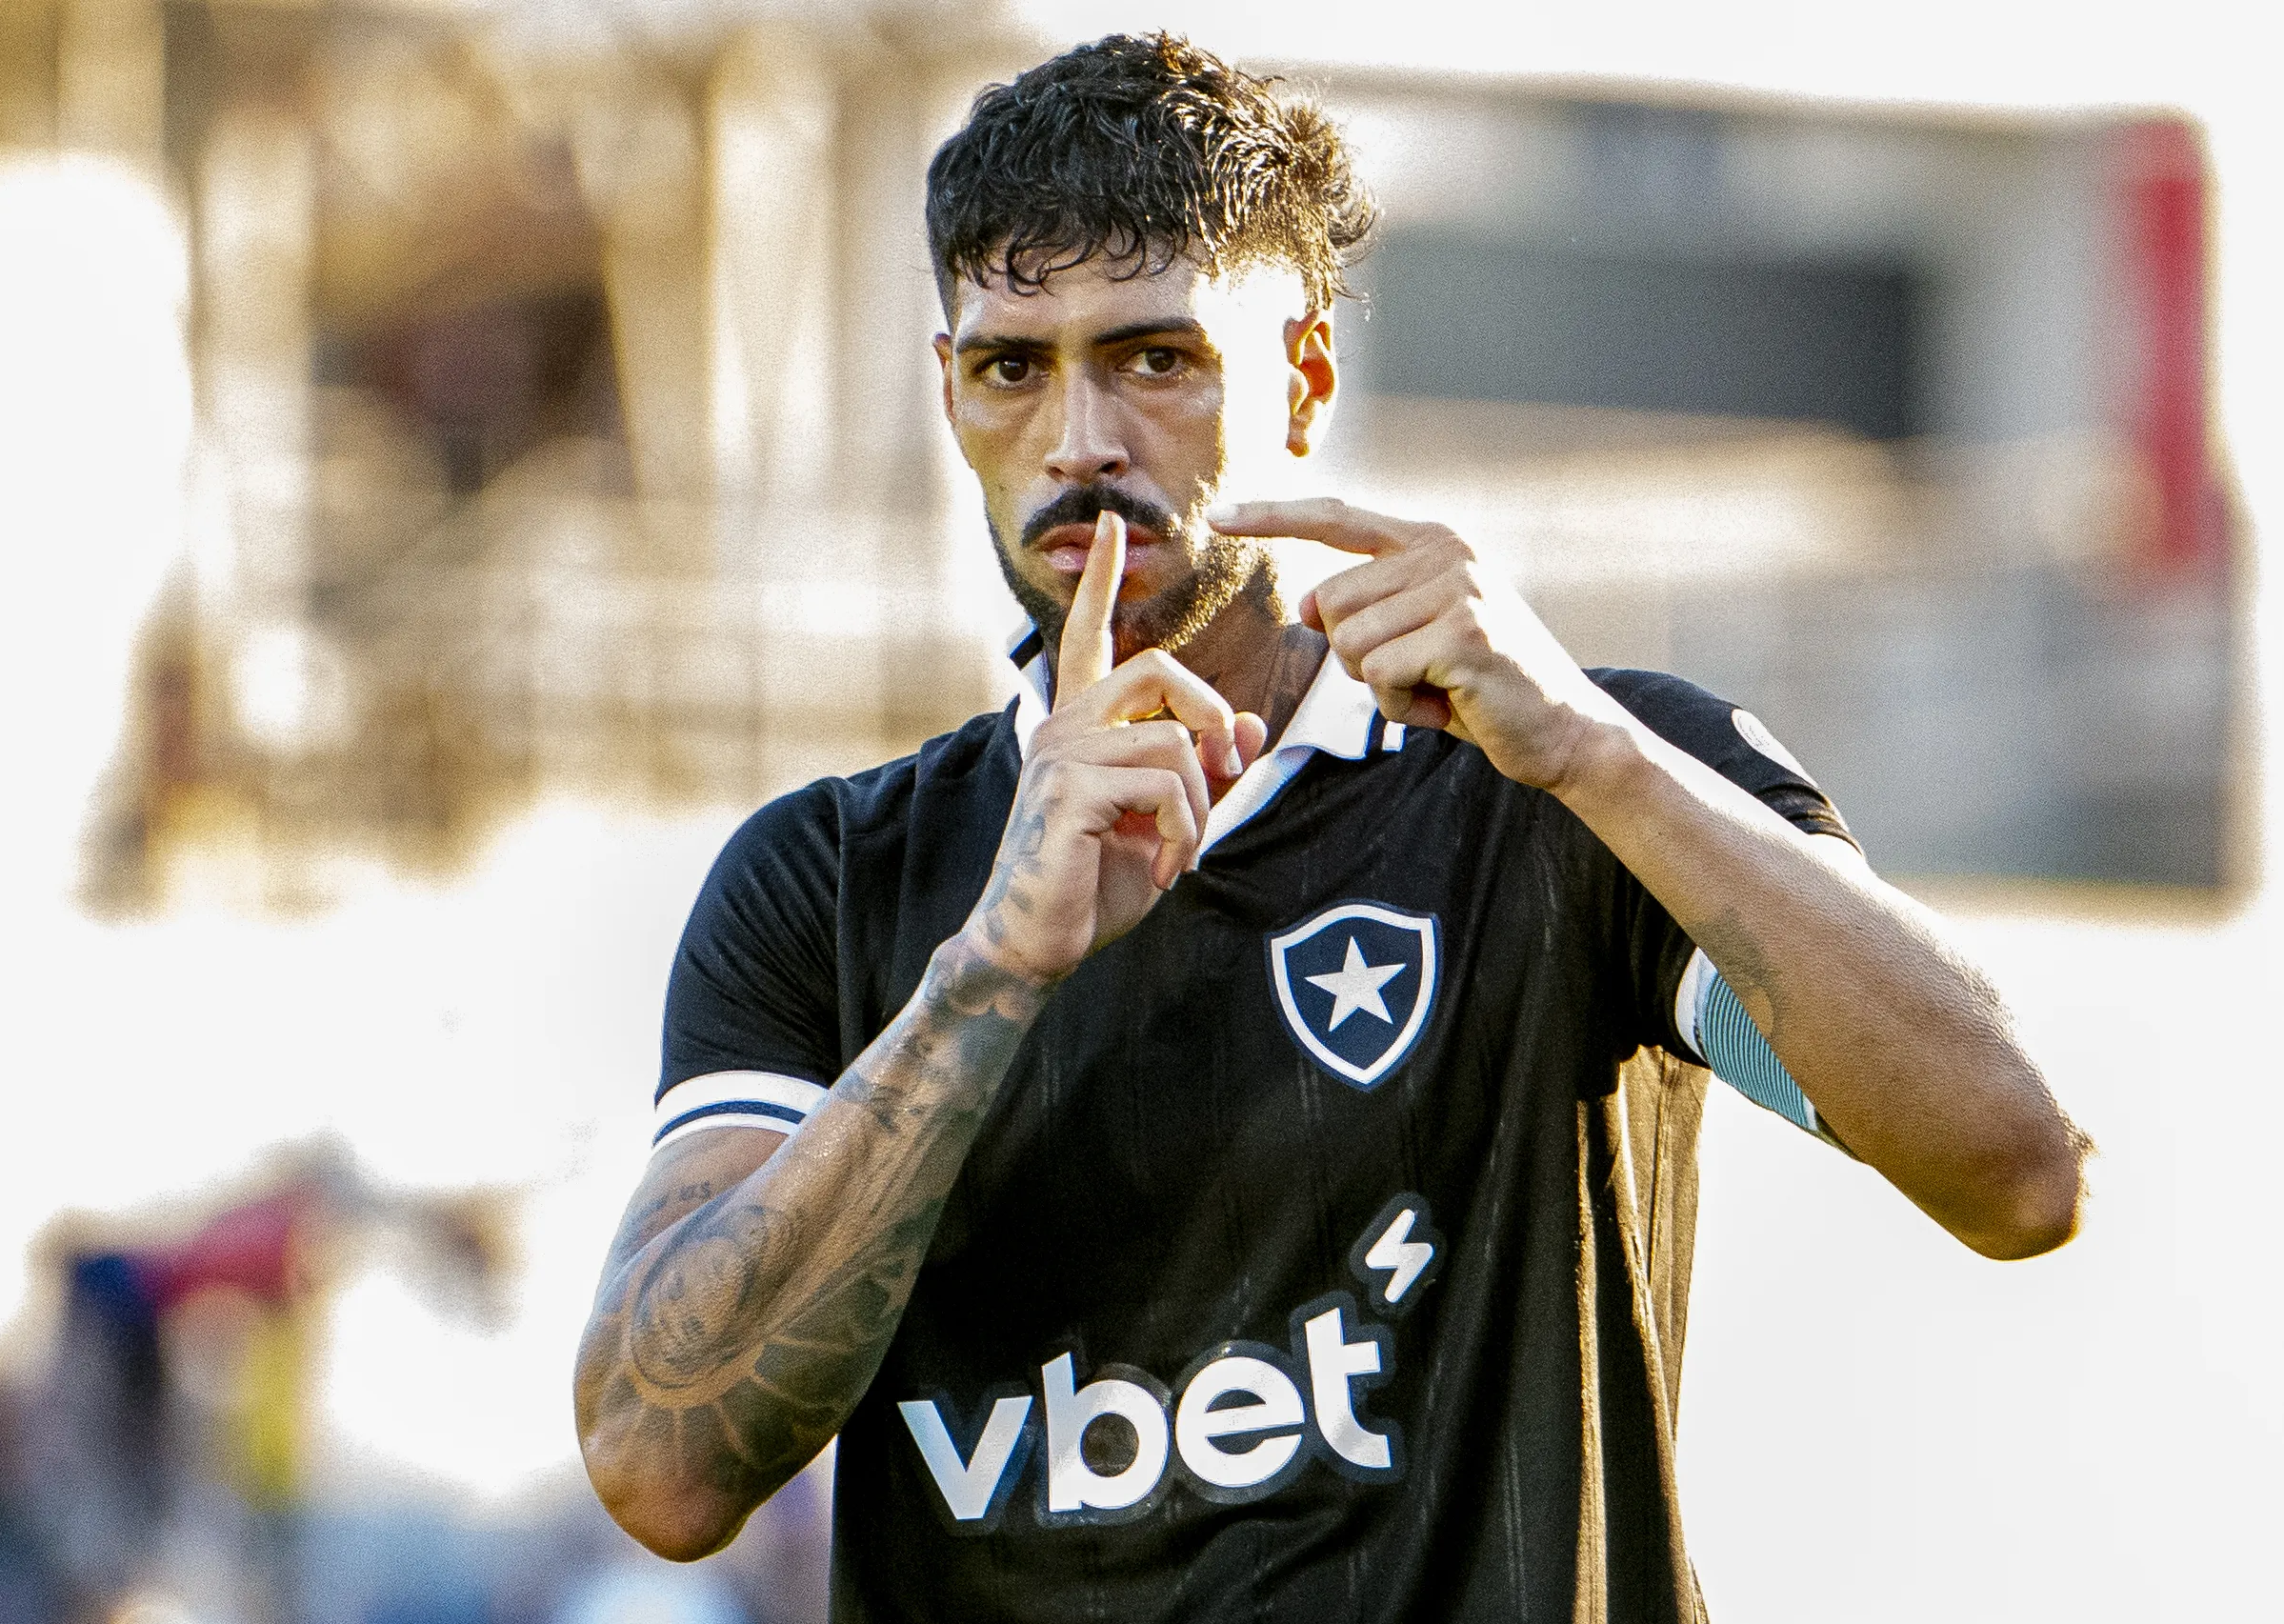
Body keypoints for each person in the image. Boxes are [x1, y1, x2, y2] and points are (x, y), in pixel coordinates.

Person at [573, 33, 2089, 1622]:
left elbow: (2015, 1178)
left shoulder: (1567, 790)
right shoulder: (829, 881)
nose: (1080, 439)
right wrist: (990, 976)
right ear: (950, 390)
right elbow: (661, 1472)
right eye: (1013, 368)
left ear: (1301, 375)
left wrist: (1597, 756)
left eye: (1154, 358)